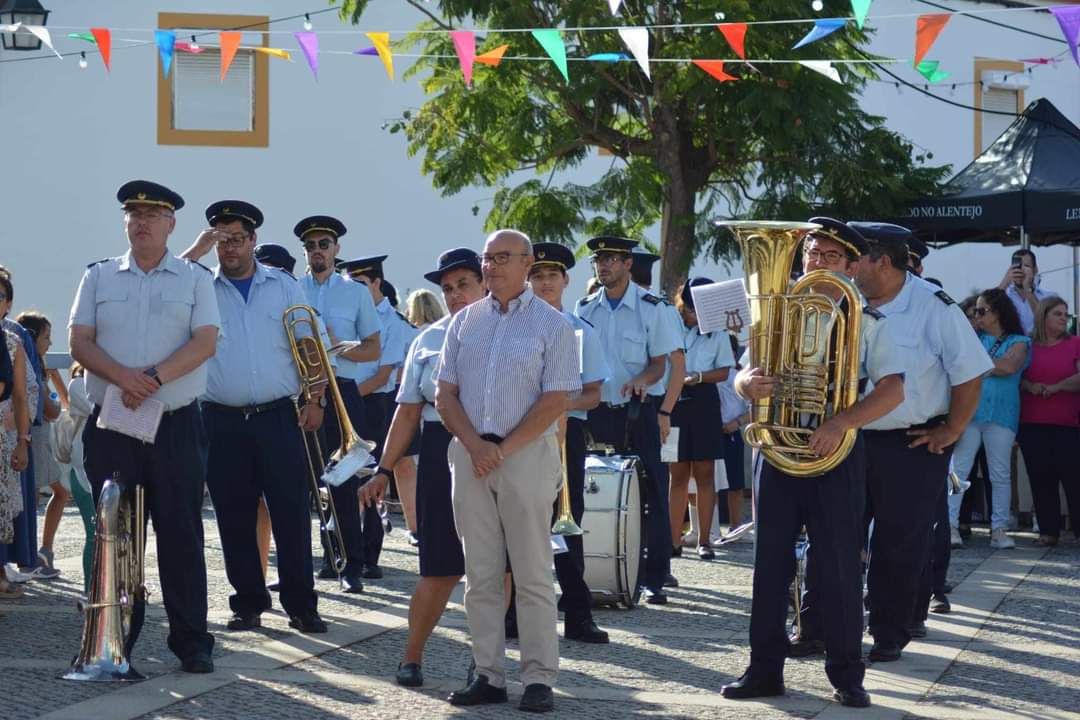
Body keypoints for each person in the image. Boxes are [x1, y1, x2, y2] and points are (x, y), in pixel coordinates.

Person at [723, 218, 905, 708]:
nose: (816, 263)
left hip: (836, 452)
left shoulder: (868, 319)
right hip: (777, 450)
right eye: (810, 254)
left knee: (839, 567)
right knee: (768, 565)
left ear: (850, 266)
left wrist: (840, 422)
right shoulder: (776, 311)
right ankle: (764, 670)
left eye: (828, 257)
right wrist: (748, 386)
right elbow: (744, 371)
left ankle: (848, 675)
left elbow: (893, 388)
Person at [69, 180, 219, 672]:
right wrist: (124, 379)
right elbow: (80, 342)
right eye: (133, 213)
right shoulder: (98, 276)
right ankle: (113, 644)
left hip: (174, 425)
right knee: (116, 534)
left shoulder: (195, 278)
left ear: (171, 224)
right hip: (113, 424)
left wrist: (152, 379)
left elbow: (204, 342)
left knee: (180, 534)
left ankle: (191, 643)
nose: (141, 222)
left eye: (152, 214)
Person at [437, 230, 580, 713]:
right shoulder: (464, 322)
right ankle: (488, 674)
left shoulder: (553, 324)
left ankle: (539, 678)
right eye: (487, 258)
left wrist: (505, 447)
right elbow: (445, 394)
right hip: (471, 454)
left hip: (526, 457)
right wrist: (476, 445)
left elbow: (557, 397)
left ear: (527, 262)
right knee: (478, 574)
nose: (492, 266)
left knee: (533, 571)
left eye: (503, 258)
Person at [183, 199, 328, 636]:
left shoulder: (283, 285)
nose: (229, 248)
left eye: (237, 239)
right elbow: (163, 283)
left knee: (291, 512)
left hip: (277, 416)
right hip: (220, 419)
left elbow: (309, 342)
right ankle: (248, 602)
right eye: (221, 240)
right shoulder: (197, 285)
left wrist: (316, 398)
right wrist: (194, 251)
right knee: (233, 515)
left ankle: (301, 604)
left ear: (254, 240)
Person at [849, 221, 992, 663]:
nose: (849, 267)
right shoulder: (843, 300)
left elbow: (969, 372)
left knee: (900, 541)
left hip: (909, 442)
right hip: (848, 437)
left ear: (882, 262)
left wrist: (951, 430)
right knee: (837, 535)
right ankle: (824, 625)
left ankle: (890, 631)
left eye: (857, 258)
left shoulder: (934, 306)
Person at [359, 247, 487, 688]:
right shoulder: (427, 340)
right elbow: (407, 413)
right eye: (447, 289)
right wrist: (383, 469)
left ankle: (484, 662)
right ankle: (411, 657)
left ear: (484, 283)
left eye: (463, 285)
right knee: (438, 568)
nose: (454, 296)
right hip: (439, 449)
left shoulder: (512, 333)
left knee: (497, 568)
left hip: (496, 450)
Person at [511, 241, 610, 643]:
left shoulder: (580, 330)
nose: (545, 282)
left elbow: (594, 394)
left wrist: (559, 403)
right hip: (519, 437)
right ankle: (513, 613)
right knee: (516, 523)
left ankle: (577, 613)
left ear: (566, 280)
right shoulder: (513, 328)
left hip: (564, 437)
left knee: (567, 524)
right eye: (537, 275)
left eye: (552, 275)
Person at [576, 236, 681, 604]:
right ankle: (594, 570)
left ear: (627, 264)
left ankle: (655, 576)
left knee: (652, 490)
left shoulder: (652, 307)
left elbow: (660, 364)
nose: (602, 266)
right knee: (591, 489)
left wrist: (643, 381)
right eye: (598, 260)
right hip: (596, 412)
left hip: (639, 411)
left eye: (610, 259)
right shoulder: (585, 308)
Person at [295, 215, 382, 593]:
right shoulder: (291, 288)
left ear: (336, 249)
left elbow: (374, 349)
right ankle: (323, 560)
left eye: (324, 244)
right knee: (305, 482)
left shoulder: (356, 293)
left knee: (343, 480)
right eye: (311, 246)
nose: (318, 251)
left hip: (341, 386)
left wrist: (338, 347)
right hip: (301, 389)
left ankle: (352, 564)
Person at [340, 254, 409, 578]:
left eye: (361, 283)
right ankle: (340, 550)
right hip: (345, 401)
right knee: (339, 477)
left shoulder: (391, 321)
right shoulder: (350, 312)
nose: (353, 289)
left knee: (369, 479)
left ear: (377, 283)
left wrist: (344, 398)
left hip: (372, 404)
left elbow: (383, 376)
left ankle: (370, 554)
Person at [947, 288, 1030, 550]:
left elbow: (1009, 366)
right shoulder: (973, 338)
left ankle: (999, 529)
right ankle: (949, 526)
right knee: (958, 470)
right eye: (976, 312)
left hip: (1001, 416)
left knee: (1000, 473)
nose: (977, 316)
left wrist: (976, 362)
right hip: (969, 412)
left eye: (982, 311)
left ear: (998, 313)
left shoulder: (1020, 341)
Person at [666, 278, 734, 560]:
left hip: (704, 402)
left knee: (705, 474)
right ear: (682, 303)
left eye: (700, 310)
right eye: (691, 309)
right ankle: (673, 541)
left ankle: (705, 540)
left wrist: (700, 377)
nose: (694, 315)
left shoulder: (717, 331)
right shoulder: (669, 323)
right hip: (672, 403)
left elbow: (725, 370)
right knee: (677, 474)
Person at [1018, 297, 1080, 546]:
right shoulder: (1027, 346)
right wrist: (1030, 385)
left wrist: (1056, 388)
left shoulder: (1075, 344)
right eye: (1058, 314)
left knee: (1074, 478)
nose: (1064, 318)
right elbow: (1016, 377)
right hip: (1032, 423)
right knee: (1040, 477)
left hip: (1068, 424)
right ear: (1043, 317)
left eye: (1065, 314)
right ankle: (1048, 530)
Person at [14, 312, 63, 579]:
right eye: (46, 337)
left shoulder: (34, 364)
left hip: (36, 438)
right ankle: (34, 555)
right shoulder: (33, 365)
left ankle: (38, 552)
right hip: (37, 439)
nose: (50, 342)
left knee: (36, 496)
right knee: (37, 497)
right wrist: (53, 402)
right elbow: (52, 411)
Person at [0, 280, 30, 598]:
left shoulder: (12, 343)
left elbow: (21, 396)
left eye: (1, 296)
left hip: (2, 436)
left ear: (9, 305)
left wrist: (23, 440)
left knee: (1, 512)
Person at [999, 249, 1056, 335]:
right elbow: (987, 312)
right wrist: (1004, 283)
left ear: (1035, 269)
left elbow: (1045, 321)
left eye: (1026, 266)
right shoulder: (1003, 294)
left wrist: (1027, 289)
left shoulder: (1050, 297)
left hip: (1039, 345)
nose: (1020, 270)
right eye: (1017, 266)